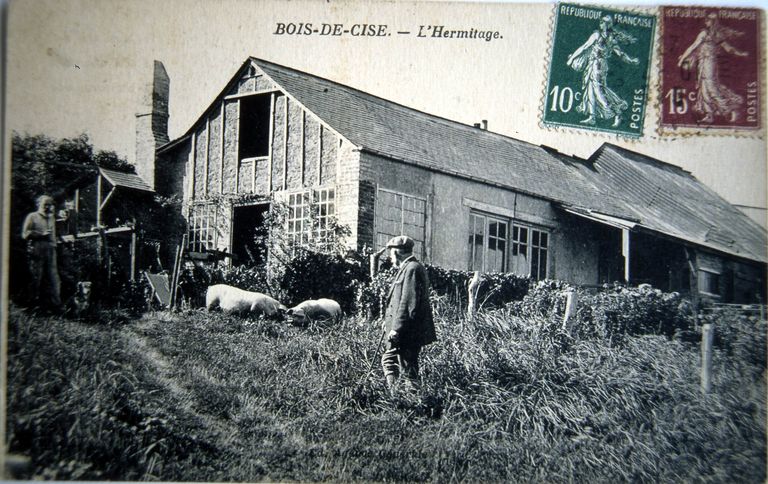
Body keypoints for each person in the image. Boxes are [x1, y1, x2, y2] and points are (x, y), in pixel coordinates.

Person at [378, 235, 436, 394]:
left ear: (397, 253)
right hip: (408, 329)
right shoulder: (409, 267)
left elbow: (408, 302)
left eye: (390, 254)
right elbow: (399, 301)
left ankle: (403, 400)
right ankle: (404, 398)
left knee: (402, 366)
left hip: (408, 330)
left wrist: (396, 328)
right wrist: (388, 322)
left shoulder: (412, 268)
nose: (390, 258)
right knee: (401, 364)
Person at [566, 15, 639, 127]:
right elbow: (585, 47)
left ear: (607, 24)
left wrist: (571, 59)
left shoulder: (602, 37)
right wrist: (630, 60)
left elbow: (619, 53)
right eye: (600, 22)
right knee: (590, 89)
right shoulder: (607, 37)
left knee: (598, 91)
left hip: (598, 66)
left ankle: (617, 112)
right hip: (594, 65)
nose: (600, 24)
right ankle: (592, 117)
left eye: (603, 22)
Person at [678, 12, 748, 124]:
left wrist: (740, 53)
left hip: (709, 62)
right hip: (703, 62)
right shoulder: (703, 33)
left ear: (714, 22)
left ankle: (729, 110)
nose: (706, 21)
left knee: (711, 87)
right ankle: (709, 114)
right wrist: (682, 59)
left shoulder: (716, 35)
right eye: (706, 19)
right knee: (703, 88)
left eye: (709, 20)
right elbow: (693, 47)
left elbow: (728, 48)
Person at [21, 195, 61, 310]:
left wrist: (54, 246)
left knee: (53, 277)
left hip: (51, 250)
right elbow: (24, 234)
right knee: (36, 277)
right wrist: (40, 234)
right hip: (37, 248)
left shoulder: (51, 218)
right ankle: (32, 304)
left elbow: (53, 235)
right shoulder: (32, 217)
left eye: (49, 204)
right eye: (45, 204)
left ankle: (55, 305)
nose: (47, 207)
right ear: (38, 204)